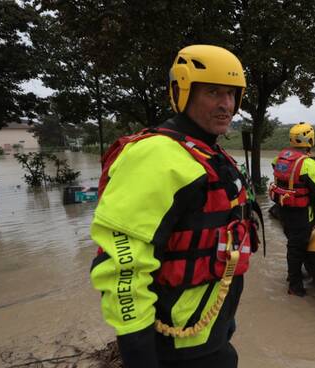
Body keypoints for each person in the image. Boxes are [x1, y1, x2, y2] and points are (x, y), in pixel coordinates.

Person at [89, 45, 261, 368]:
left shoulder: (209, 153)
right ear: (182, 91)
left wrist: (224, 320)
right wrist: (139, 353)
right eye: (213, 92)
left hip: (210, 333)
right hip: (175, 347)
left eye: (231, 94)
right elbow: (123, 265)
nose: (226, 105)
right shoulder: (156, 157)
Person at [269, 122, 315, 297]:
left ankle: (293, 275)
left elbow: (278, 170)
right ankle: (295, 285)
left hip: (283, 210)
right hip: (301, 214)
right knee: (297, 247)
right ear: (310, 138)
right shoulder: (308, 164)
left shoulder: (280, 157)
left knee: (293, 245)